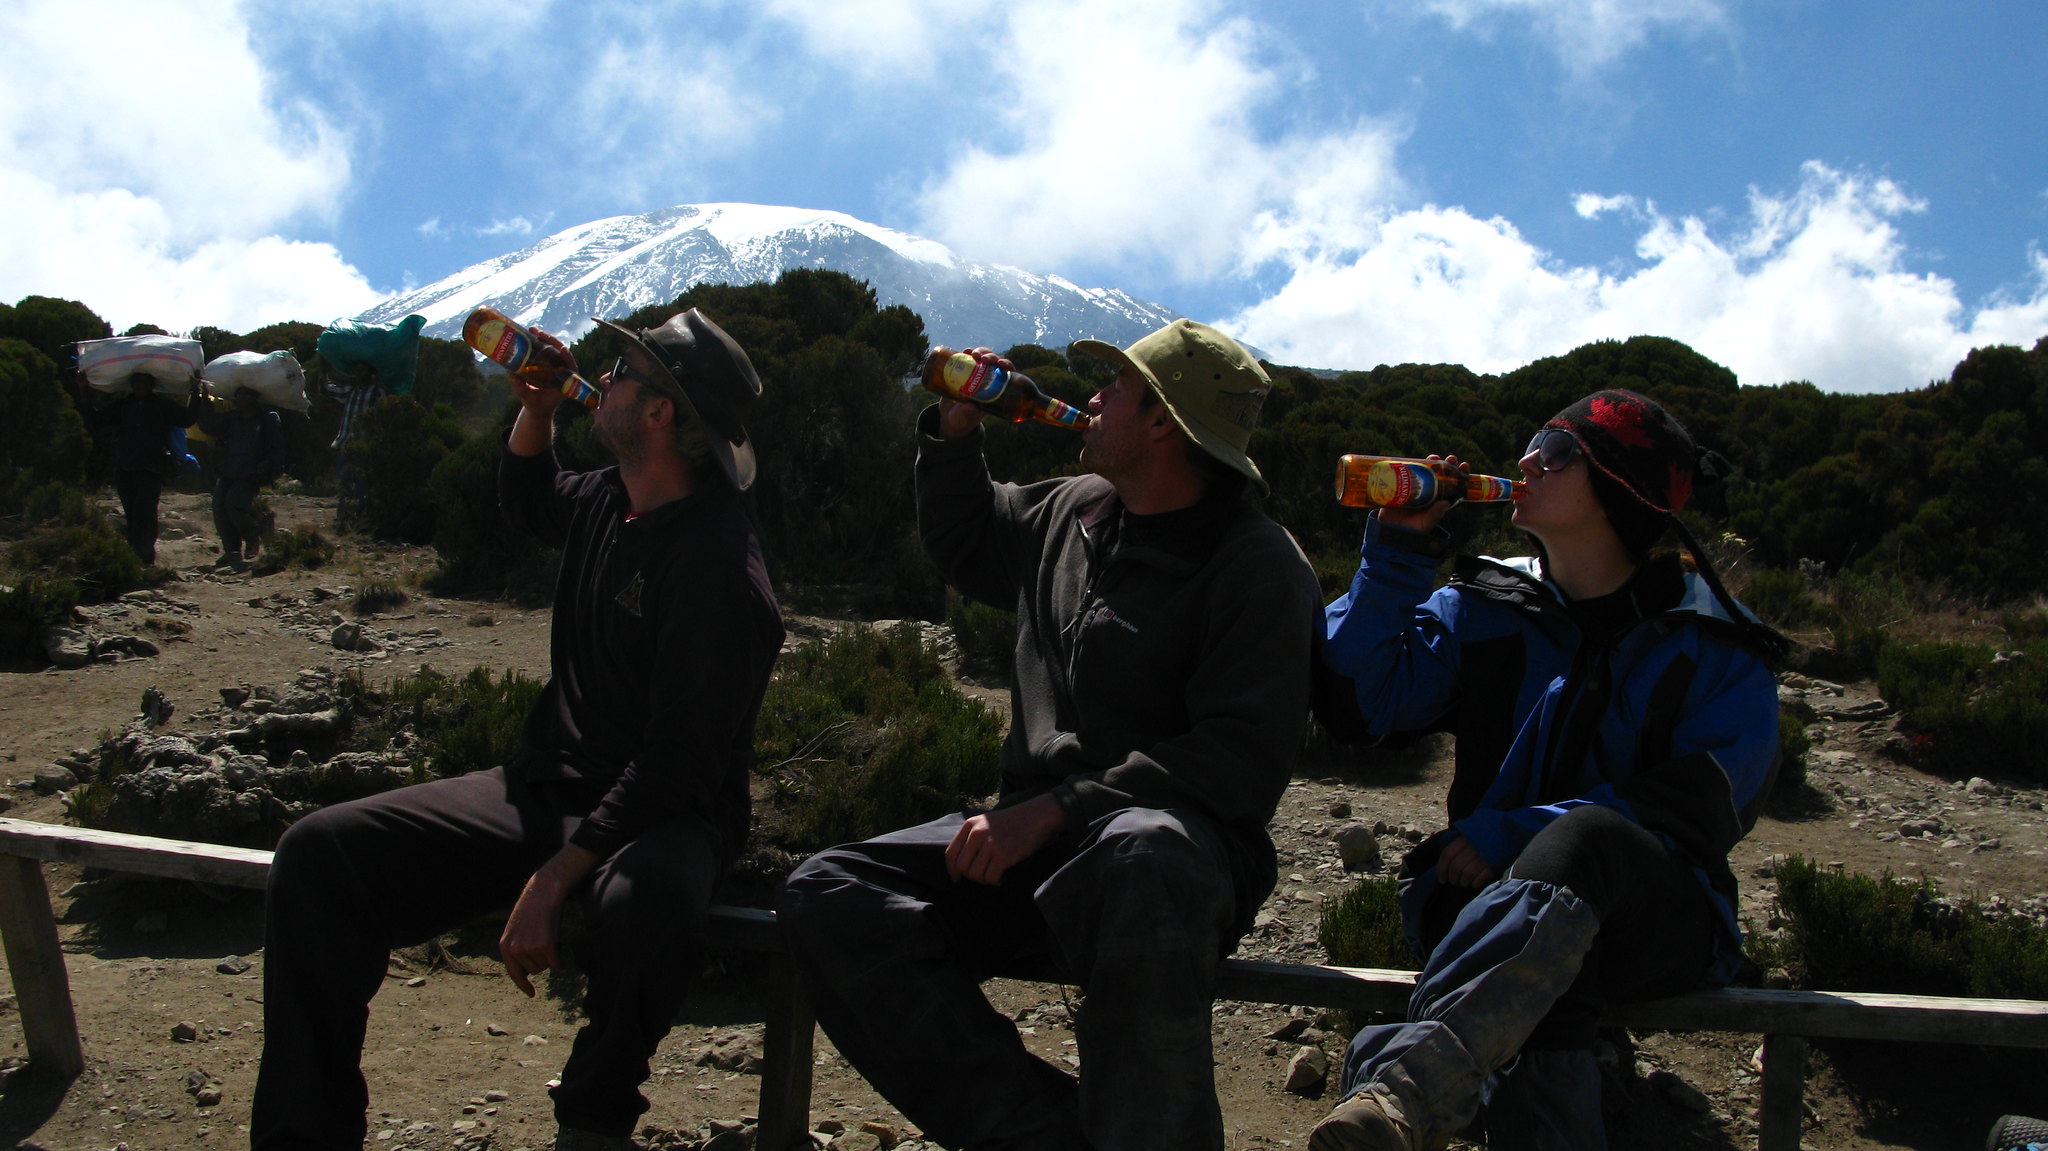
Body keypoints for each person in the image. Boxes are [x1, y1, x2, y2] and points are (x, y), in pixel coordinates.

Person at [780, 320, 1322, 1151]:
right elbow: (966, 539)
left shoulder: (1257, 563)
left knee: (1144, 852)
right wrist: (958, 433)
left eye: (1118, 388)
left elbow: (1238, 762)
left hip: (1179, 858)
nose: (1092, 398)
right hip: (1042, 846)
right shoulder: (1072, 510)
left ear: (1163, 424)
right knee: (831, 892)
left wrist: (1061, 809)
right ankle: (1041, 1135)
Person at [251, 309, 786, 1151]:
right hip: (547, 785)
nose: (601, 381)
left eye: (623, 372)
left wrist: (550, 878)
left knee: (643, 902)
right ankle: (303, 1134)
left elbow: (679, 764)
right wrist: (535, 410)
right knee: (319, 856)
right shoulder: (616, 498)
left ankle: (595, 1119)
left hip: (668, 808)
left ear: (658, 414)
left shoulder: (720, 569)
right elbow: (531, 501)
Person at [1309, 389, 1787, 1151]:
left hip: (1656, 921)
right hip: (1493, 911)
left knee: (1590, 843)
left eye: (1559, 452)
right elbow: (1358, 704)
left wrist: (1509, 833)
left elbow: (1701, 806)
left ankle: (1396, 1083)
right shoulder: (1488, 607)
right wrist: (1395, 552)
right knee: (1550, 1000)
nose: (1528, 460)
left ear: (1620, 492)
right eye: (1535, 441)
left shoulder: (1715, 646)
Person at [84, 371, 199, 564]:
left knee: (145, 512)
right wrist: (84, 391)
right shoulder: (124, 406)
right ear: (132, 384)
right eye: (137, 382)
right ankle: (134, 557)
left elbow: (188, 418)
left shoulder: (162, 406)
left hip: (151, 468)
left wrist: (196, 392)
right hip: (125, 467)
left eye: (144, 382)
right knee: (131, 513)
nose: (140, 386)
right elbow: (96, 419)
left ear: (152, 385)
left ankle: (145, 557)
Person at [195, 383, 284, 566]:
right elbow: (209, 426)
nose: (242, 399)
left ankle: (253, 535)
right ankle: (232, 551)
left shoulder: (266, 420)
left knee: (234, 504)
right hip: (229, 470)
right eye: (239, 395)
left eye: (246, 395)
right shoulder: (231, 419)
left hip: (251, 473)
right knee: (219, 507)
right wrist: (203, 399)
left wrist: (266, 466)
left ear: (254, 398)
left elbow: (277, 448)